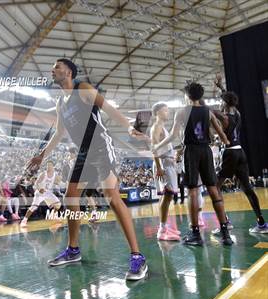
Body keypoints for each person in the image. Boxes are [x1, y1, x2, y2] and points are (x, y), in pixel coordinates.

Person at [26, 58, 148, 280]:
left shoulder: (82, 88)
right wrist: (42, 155)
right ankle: (73, 250)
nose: (53, 70)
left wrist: (128, 126)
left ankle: (138, 256)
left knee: (111, 196)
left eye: (57, 67)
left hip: (100, 146)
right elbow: (59, 133)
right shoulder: (60, 103)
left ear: (69, 72)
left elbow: (107, 107)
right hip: (83, 152)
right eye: (53, 68)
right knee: (70, 198)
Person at [154, 82, 233, 246]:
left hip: (191, 151)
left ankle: (195, 234)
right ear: (200, 95)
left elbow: (174, 136)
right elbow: (219, 131)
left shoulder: (182, 112)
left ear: (187, 96)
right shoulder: (208, 111)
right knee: (213, 189)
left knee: (193, 192)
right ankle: (225, 232)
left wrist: (158, 145)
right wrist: (226, 141)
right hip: (206, 151)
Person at [213, 87, 267, 233]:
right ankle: (261, 223)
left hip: (229, 153)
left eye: (221, 101)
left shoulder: (224, 117)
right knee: (247, 189)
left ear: (224, 102)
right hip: (240, 152)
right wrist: (221, 89)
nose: (219, 103)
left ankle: (225, 222)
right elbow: (229, 100)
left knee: (215, 188)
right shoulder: (237, 113)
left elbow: (208, 110)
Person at [150, 103, 180, 241]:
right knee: (168, 195)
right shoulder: (156, 127)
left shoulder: (162, 127)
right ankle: (162, 231)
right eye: (165, 110)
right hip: (163, 164)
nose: (167, 112)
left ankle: (163, 228)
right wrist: (159, 166)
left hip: (167, 163)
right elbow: (153, 148)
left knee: (166, 197)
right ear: (157, 112)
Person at [20, 161, 61, 227]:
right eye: (47, 166)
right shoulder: (43, 174)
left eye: (50, 165)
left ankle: (53, 215)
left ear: (53, 167)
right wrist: (39, 189)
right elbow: (36, 184)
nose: (48, 167)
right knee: (34, 207)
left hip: (48, 192)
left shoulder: (55, 174)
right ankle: (24, 221)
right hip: (40, 193)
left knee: (58, 204)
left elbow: (58, 182)